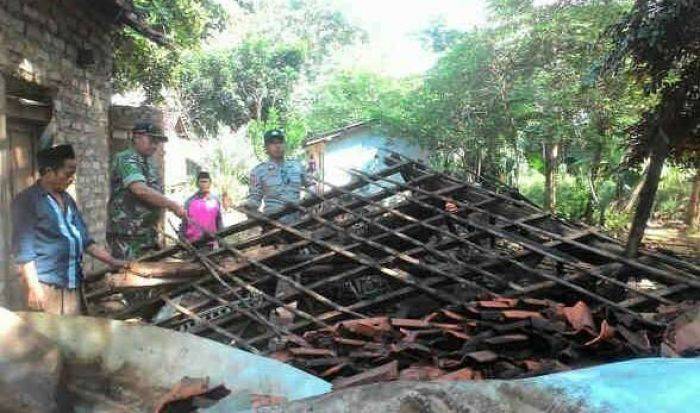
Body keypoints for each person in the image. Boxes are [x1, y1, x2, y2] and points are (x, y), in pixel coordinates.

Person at [12, 145, 126, 315]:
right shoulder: (27, 201)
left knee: (72, 333)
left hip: (72, 282)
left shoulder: (67, 200)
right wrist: (33, 287)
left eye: (74, 173)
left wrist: (113, 261)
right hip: (46, 285)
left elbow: (85, 241)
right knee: (48, 337)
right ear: (49, 171)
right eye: (67, 173)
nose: (72, 178)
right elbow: (24, 250)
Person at [107, 122, 186, 259]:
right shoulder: (126, 158)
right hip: (128, 234)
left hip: (148, 234)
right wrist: (171, 205)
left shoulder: (150, 163)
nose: (155, 145)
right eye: (152, 140)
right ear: (137, 137)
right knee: (127, 275)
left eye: (157, 142)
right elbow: (139, 189)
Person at [245, 129, 308, 226]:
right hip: (274, 226)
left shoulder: (297, 166)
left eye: (280, 142)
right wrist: (250, 208)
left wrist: (307, 203)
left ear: (285, 145)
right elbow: (254, 201)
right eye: (272, 143)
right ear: (266, 148)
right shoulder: (258, 172)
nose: (277, 146)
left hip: (298, 221)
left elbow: (312, 188)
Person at [179, 171, 224, 248]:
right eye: (201, 182)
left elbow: (219, 221)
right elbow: (184, 222)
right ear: (197, 183)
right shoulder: (189, 201)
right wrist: (182, 238)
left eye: (205, 182)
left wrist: (222, 240)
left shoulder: (215, 201)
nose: (203, 184)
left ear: (210, 183)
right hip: (193, 243)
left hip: (211, 242)